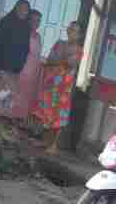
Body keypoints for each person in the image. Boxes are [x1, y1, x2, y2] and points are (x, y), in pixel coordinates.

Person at [34, 21, 84, 154]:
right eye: (70, 29)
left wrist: (58, 60)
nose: (70, 32)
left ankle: (54, 145)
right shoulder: (59, 43)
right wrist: (59, 60)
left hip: (64, 87)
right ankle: (45, 141)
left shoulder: (79, 50)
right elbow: (51, 59)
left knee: (58, 116)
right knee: (46, 111)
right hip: (51, 83)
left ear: (79, 35)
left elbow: (69, 63)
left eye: (74, 30)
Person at [0, 0, 32, 121]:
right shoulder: (6, 22)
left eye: (26, 10)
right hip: (2, 64)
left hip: (15, 68)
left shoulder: (27, 28)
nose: (23, 12)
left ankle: (0, 118)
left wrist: (20, 64)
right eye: (21, 8)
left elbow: (26, 48)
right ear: (15, 8)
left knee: (7, 94)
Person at [8, 10, 44, 120]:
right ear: (28, 20)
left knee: (25, 99)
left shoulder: (38, 36)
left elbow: (37, 55)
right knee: (13, 97)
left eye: (38, 21)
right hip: (21, 70)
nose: (35, 23)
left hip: (32, 74)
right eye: (33, 20)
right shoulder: (22, 33)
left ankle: (16, 122)